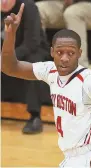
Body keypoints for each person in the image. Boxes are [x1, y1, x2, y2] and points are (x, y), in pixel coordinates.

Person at [1, 4, 91, 167]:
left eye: (71, 53)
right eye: (60, 52)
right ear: (52, 52)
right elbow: (10, 67)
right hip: (69, 158)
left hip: (89, 157)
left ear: (79, 53)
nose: (64, 58)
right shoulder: (50, 70)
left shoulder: (90, 82)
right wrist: (10, 35)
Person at [1, 0, 51, 134]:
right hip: (7, 56)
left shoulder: (28, 7)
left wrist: (6, 58)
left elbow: (32, 42)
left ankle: (35, 117)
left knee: (33, 63)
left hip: (33, 51)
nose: (4, 1)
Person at [36, 0, 91, 72]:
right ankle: (38, 64)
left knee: (73, 13)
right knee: (37, 9)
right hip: (62, 4)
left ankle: (80, 69)